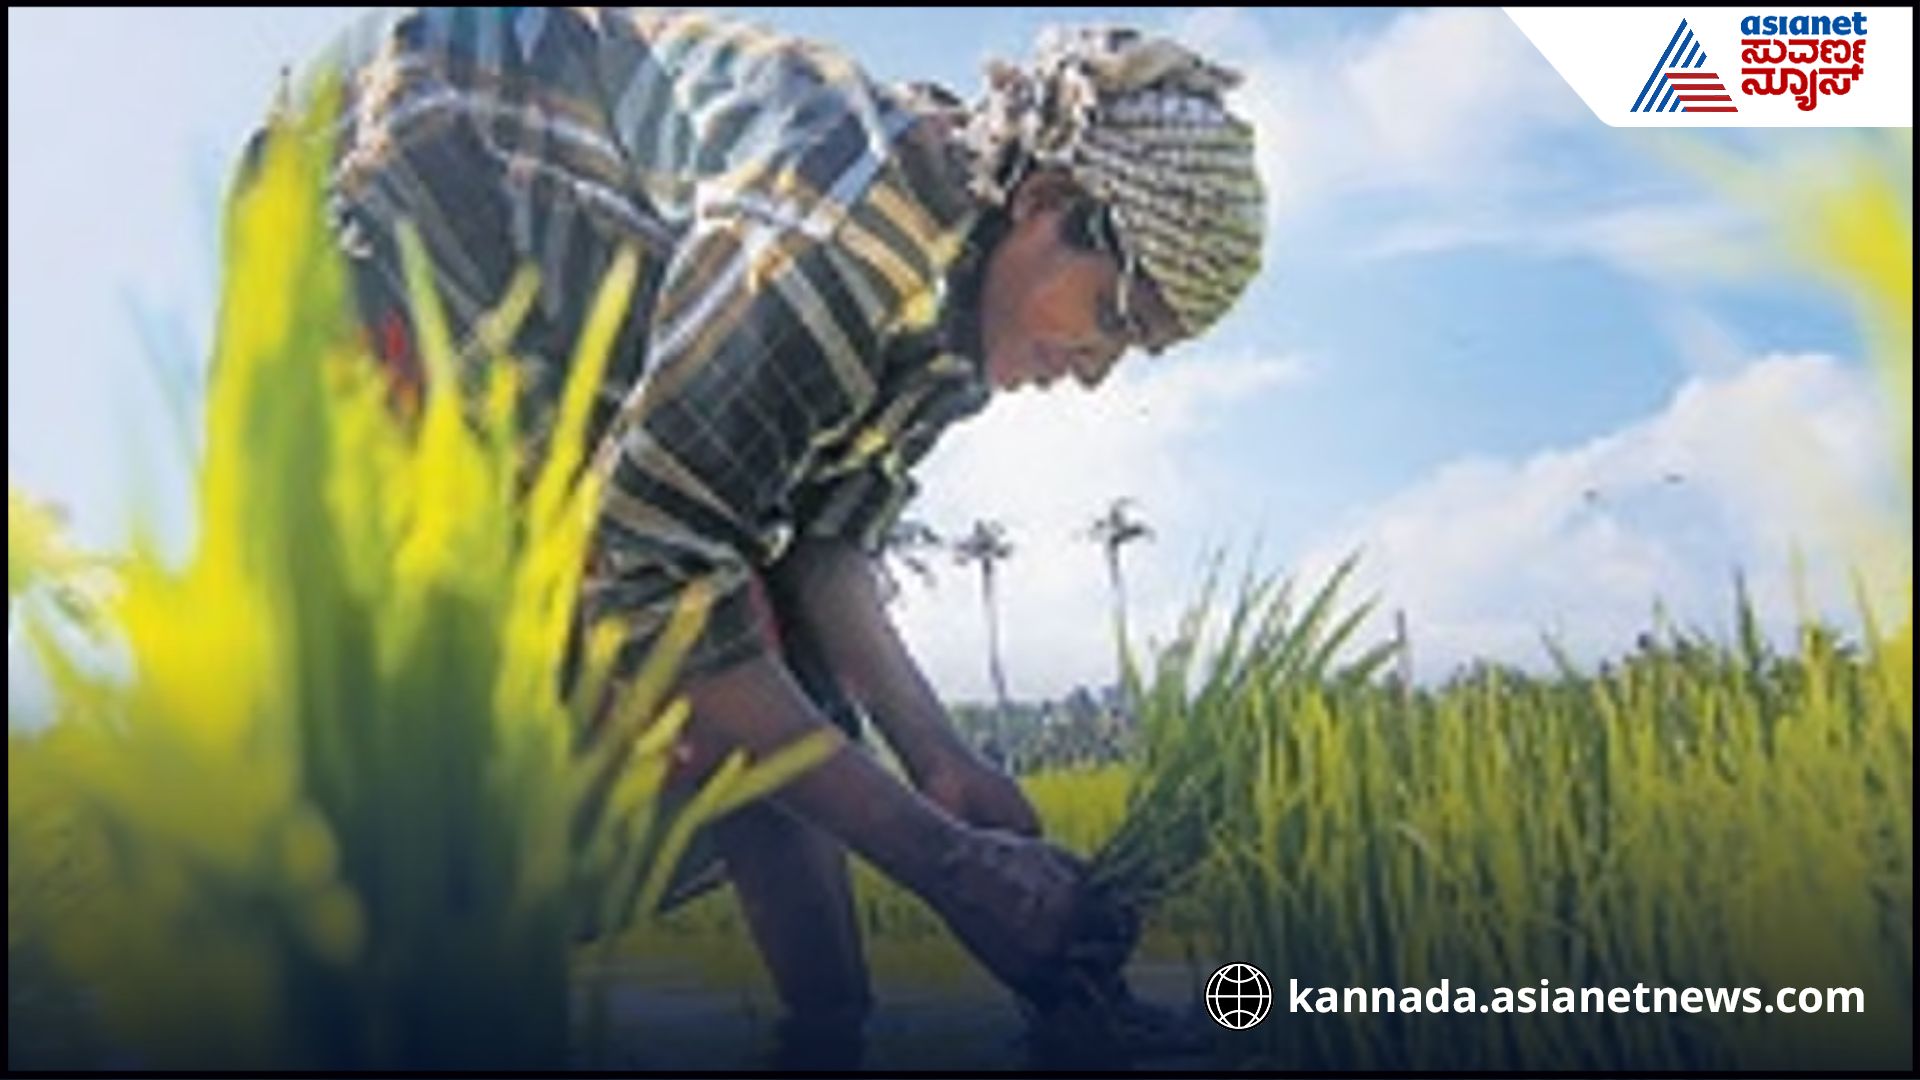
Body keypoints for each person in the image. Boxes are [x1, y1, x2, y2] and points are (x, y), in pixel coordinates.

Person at [265, 7, 1263, 1067]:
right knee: (623, 671)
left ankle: (830, 1037)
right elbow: (660, 599)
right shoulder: (841, 247)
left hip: (579, 264)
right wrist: (948, 867)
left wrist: (941, 759)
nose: (1099, 369)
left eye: (1138, 349)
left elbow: (819, 554)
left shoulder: (956, 310)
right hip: (405, 194)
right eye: (1111, 315)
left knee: (751, 636)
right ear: (1047, 205)